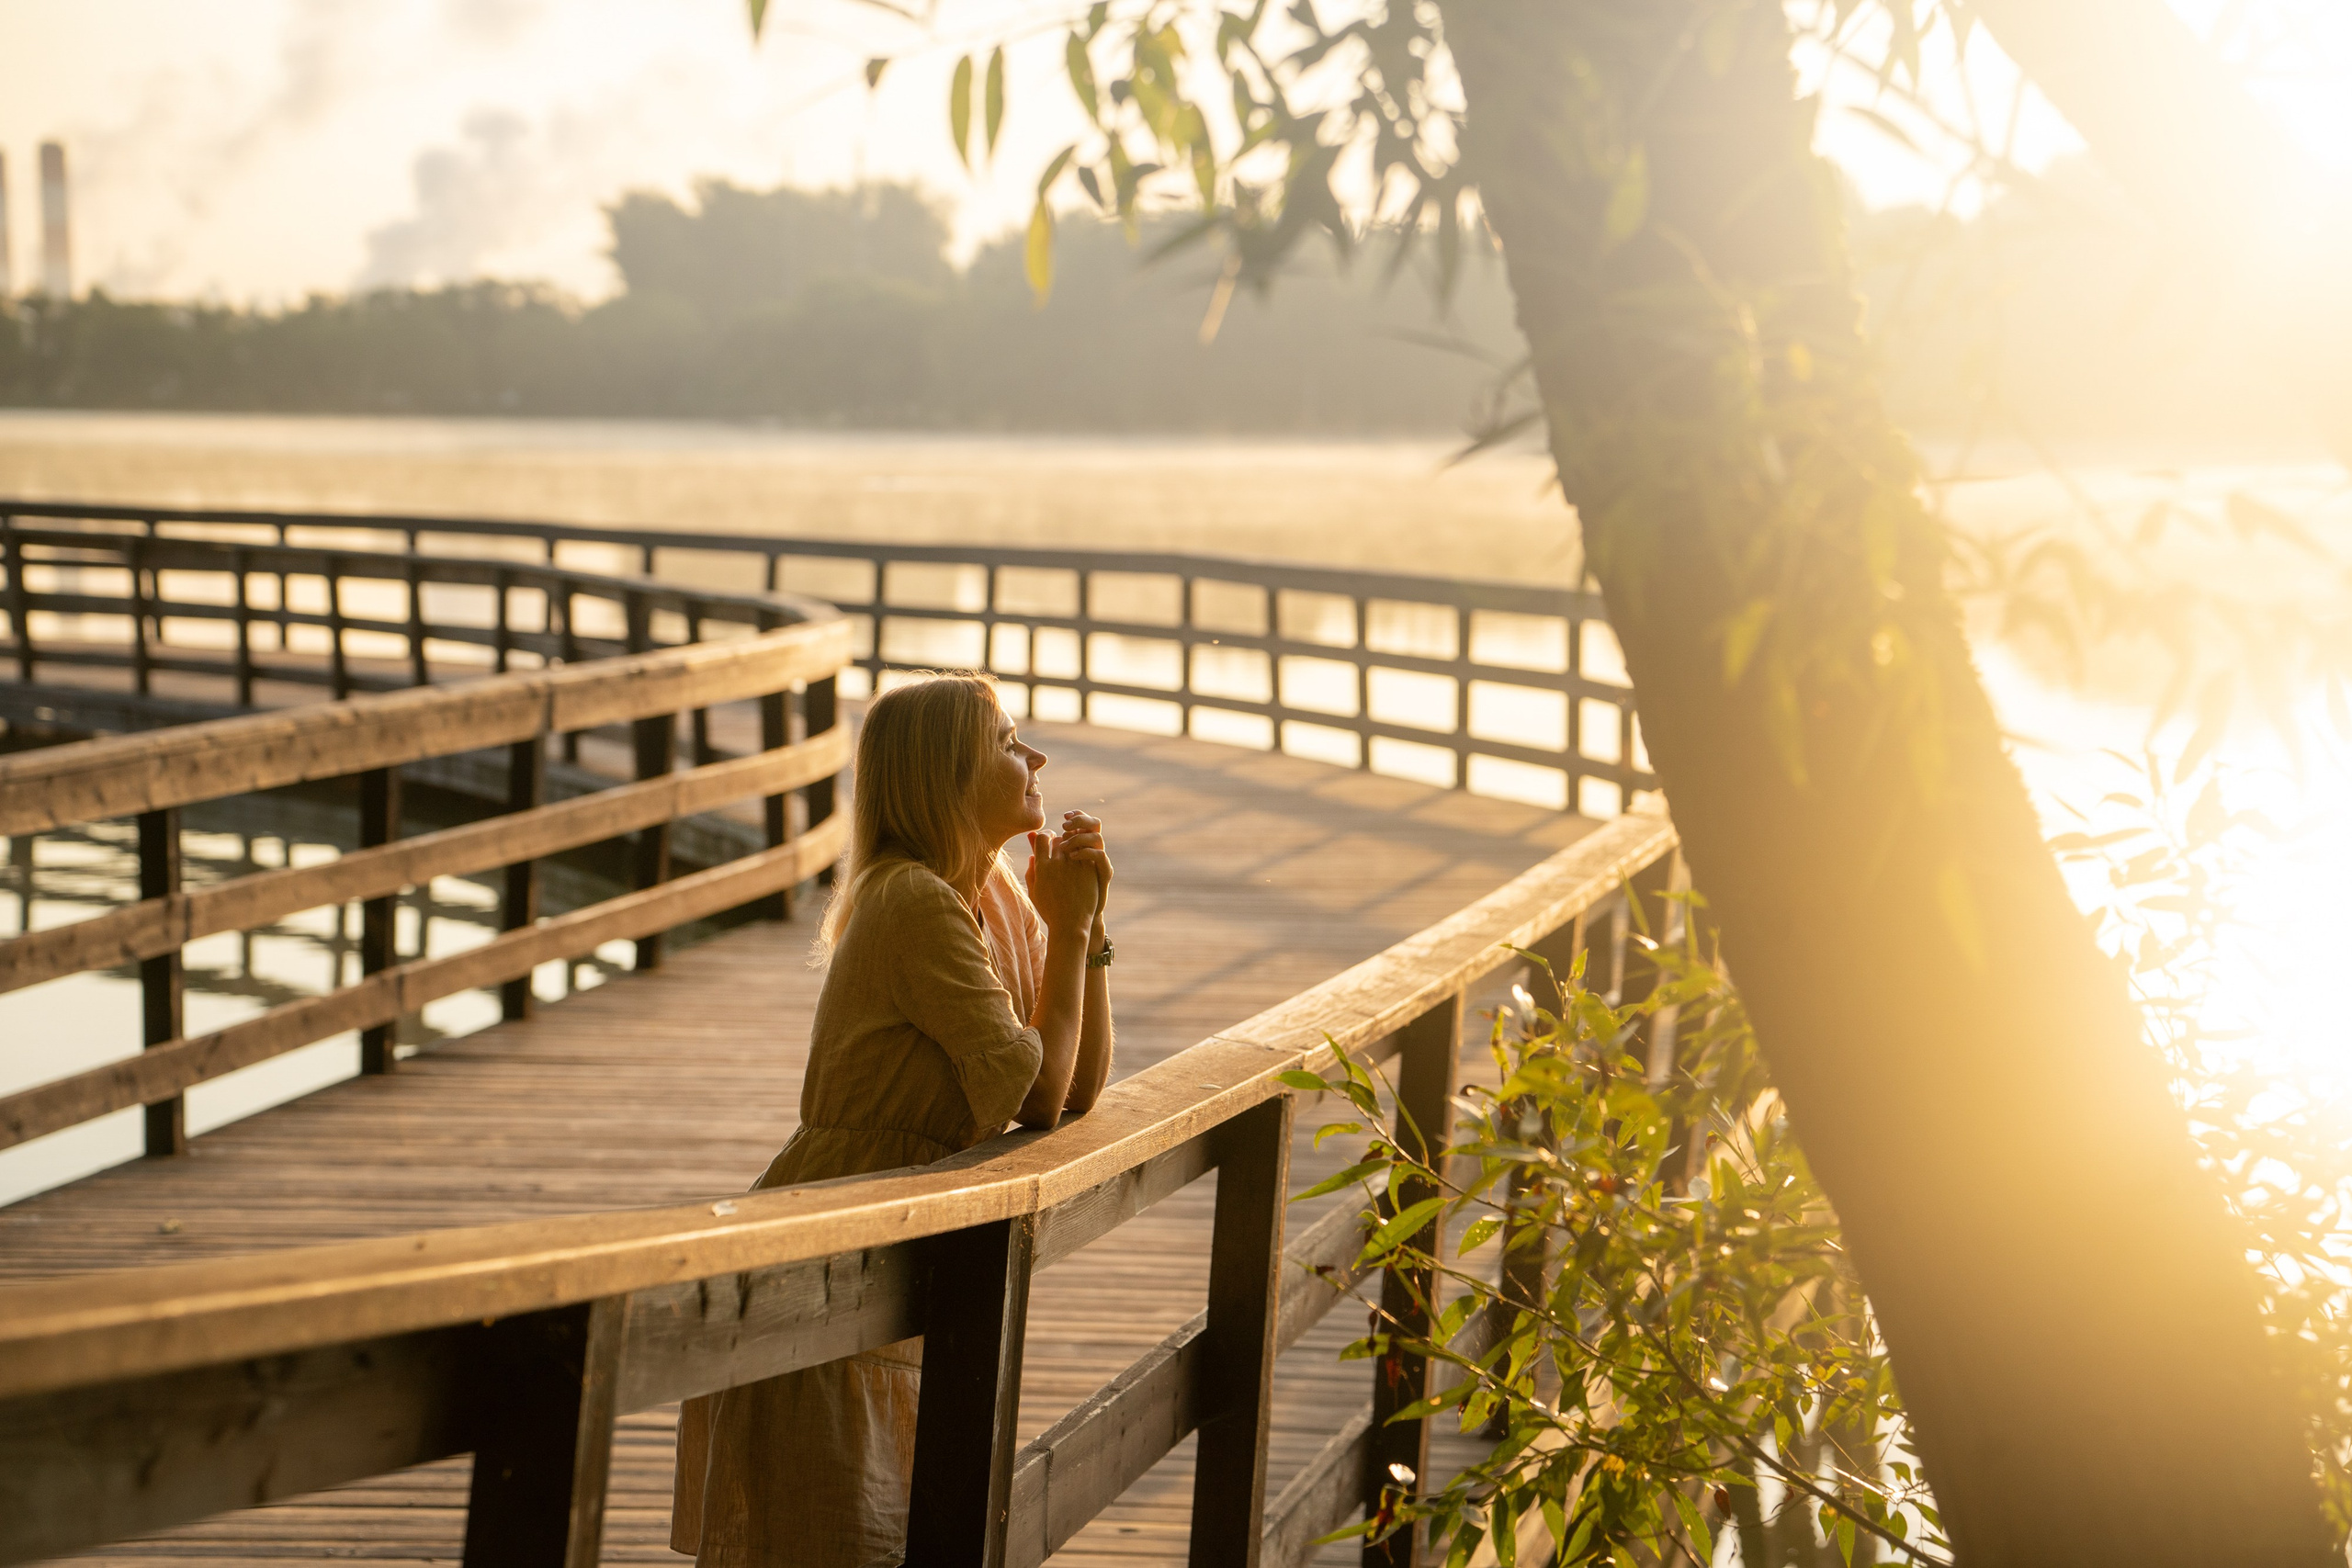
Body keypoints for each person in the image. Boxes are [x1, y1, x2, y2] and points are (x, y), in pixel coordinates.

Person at [671, 671, 1116, 1568]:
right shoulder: (911, 897)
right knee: (832, 1539)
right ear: (943, 774)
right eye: (1005, 742)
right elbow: (1034, 1092)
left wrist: (1086, 929)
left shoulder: (988, 894)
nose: (1033, 757)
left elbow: (1073, 1090)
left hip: (899, 1240)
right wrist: (1068, 936)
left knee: (885, 1533)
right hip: (833, 1243)